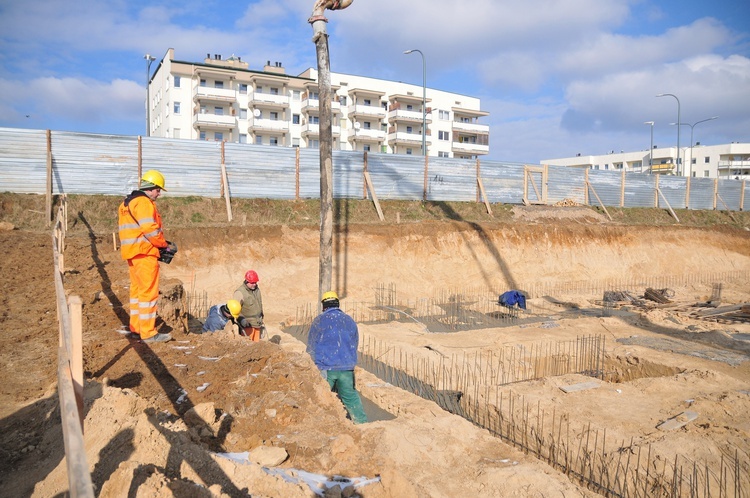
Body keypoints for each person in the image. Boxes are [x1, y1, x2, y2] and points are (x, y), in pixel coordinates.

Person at [117, 169, 174, 343]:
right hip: (145, 253)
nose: (158, 194)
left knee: (137, 292)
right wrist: (164, 245)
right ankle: (149, 333)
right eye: (158, 190)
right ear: (151, 187)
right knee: (148, 293)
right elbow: (150, 229)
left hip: (133, 253)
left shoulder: (126, 203)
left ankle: (137, 328)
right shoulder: (143, 203)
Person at [306, 291, 367, 424]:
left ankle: (325, 424)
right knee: (350, 397)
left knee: (323, 397)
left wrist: (312, 365)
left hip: (326, 367)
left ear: (324, 306)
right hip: (346, 368)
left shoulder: (319, 321)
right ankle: (362, 425)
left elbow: (311, 345)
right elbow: (354, 342)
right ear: (337, 304)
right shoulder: (349, 320)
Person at [233, 270, 264, 341]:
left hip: (257, 323)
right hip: (247, 325)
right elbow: (235, 309)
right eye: (252, 283)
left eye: (255, 282)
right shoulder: (240, 292)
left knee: (256, 346)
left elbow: (259, 303)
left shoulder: (257, 290)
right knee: (248, 346)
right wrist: (241, 319)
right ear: (246, 281)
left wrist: (261, 315)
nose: (254, 284)